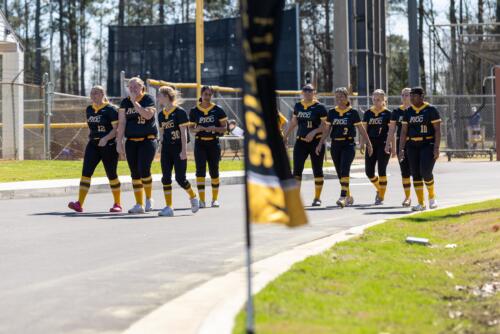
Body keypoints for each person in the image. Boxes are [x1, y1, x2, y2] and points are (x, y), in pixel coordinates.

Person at [316, 87, 373, 208]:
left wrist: (368, 143)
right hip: (335, 145)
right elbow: (326, 130)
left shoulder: (353, 112)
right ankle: (348, 196)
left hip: (348, 144)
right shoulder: (331, 112)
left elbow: (361, 129)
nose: (338, 99)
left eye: (341, 96)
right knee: (339, 173)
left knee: (344, 169)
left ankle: (342, 197)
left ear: (346, 97)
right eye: (336, 97)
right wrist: (320, 143)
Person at [68, 86, 122, 213]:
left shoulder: (111, 109)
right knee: (86, 173)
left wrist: (106, 138)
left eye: (96, 93)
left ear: (103, 94)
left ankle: (117, 203)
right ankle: (79, 203)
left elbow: (117, 130)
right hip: (93, 145)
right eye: (91, 93)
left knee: (111, 174)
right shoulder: (89, 109)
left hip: (108, 146)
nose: (93, 96)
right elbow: (92, 127)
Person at [117, 77, 158, 214]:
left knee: (144, 168)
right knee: (134, 172)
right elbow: (122, 122)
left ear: (142, 87)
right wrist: (119, 142)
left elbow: (147, 115)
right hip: (131, 140)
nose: (133, 89)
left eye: (136, 87)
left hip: (148, 139)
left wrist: (135, 102)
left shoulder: (148, 99)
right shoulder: (124, 102)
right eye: (131, 87)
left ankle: (149, 198)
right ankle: (138, 204)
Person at [157, 86, 200, 216]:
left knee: (180, 178)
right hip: (167, 148)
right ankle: (169, 207)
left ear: (166, 96)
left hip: (178, 147)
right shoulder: (160, 114)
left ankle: (193, 196)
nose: (158, 97)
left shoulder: (180, 112)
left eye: (160, 95)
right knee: (165, 178)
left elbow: (184, 134)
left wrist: (184, 151)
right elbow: (162, 133)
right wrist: (160, 147)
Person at [284, 84, 328, 206]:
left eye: (310, 90)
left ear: (314, 92)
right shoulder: (298, 106)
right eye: (305, 90)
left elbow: (326, 126)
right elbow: (294, 122)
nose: (307, 92)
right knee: (297, 170)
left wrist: (314, 132)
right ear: (302, 92)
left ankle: (317, 198)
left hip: (316, 142)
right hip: (301, 141)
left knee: (317, 170)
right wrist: (285, 136)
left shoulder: (320, 107)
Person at [399, 87, 441, 211]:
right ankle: (421, 203)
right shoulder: (408, 111)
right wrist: (401, 148)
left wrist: (436, 148)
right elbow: (403, 132)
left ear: (422, 96)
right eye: (410, 96)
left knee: (426, 172)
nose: (411, 98)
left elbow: (438, 130)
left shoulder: (431, 110)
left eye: (414, 96)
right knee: (416, 174)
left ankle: (432, 197)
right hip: (412, 146)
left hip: (427, 144)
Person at [189, 86, 228, 208]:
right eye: (205, 94)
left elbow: (225, 128)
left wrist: (214, 128)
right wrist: (197, 129)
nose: (207, 97)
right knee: (200, 171)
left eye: (209, 95)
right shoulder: (194, 110)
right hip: (200, 143)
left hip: (213, 143)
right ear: (201, 95)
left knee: (214, 171)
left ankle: (215, 199)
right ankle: (201, 200)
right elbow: (190, 129)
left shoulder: (218, 110)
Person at [361, 89, 393, 205]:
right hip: (371, 144)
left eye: (378, 99)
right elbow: (364, 130)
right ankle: (380, 189)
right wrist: (362, 143)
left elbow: (391, 131)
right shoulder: (368, 113)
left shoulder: (388, 113)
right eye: (374, 99)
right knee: (369, 172)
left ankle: (381, 196)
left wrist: (392, 147)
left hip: (384, 144)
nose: (376, 101)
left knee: (381, 170)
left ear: (384, 99)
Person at [385, 87, 412, 207]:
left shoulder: (417, 110)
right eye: (403, 95)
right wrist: (388, 145)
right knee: (405, 171)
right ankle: (407, 197)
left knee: (418, 172)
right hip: (402, 144)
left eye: (407, 95)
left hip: (416, 144)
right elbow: (392, 130)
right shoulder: (396, 112)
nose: (405, 97)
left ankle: (424, 196)